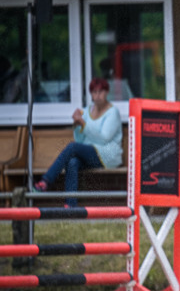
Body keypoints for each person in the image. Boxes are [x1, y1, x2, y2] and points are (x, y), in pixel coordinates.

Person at [34, 77, 122, 207]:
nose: (97, 96)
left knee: (72, 147)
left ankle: (46, 181)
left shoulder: (113, 113)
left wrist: (83, 123)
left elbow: (104, 138)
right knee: (72, 162)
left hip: (108, 155)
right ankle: (71, 205)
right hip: (91, 155)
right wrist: (76, 126)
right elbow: (80, 140)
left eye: (100, 92)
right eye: (94, 92)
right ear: (91, 94)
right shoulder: (87, 111)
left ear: (106, 92)